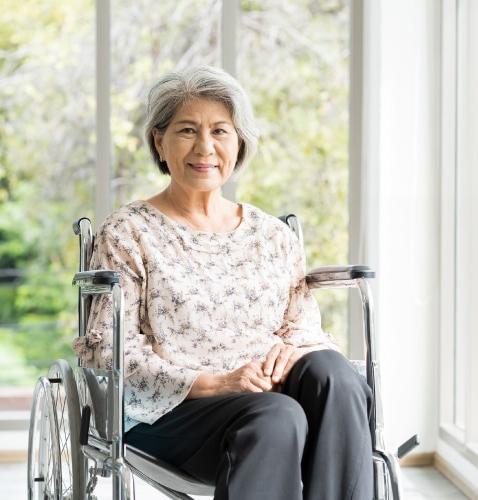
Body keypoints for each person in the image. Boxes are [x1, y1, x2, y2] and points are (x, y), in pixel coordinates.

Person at [72, 65, 374, 500]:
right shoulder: (129, 232)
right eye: (187, 130)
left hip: (270, 393)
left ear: (240, 142)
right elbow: (110, 351)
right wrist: (217, 383)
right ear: (159, 140)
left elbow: (301, 329)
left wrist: (290, 356)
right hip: (174, 410)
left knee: (335, 374)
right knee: (276, 415)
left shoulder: (273, 235)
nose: (205, 147)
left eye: (220, 131)